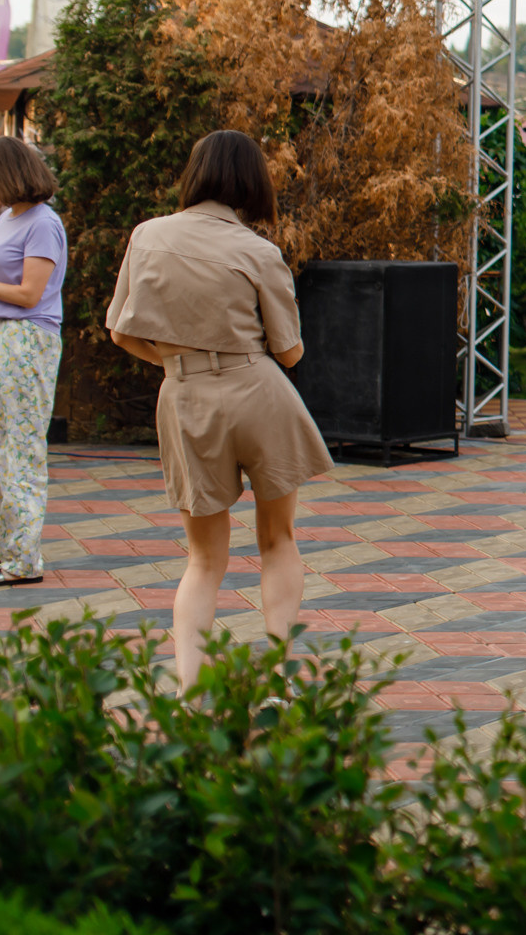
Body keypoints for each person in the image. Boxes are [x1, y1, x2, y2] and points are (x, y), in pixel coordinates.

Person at [105, 131, 334, 687]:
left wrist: (177, 362)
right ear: (253, 182)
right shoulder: (258, 251)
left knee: (203, 560)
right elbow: (289, 351)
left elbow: (121, 332)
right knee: (278, 539)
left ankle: (188, 694)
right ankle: (278, 681)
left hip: (184, 395)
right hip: (257, 392)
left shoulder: (147, 235)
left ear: (196, 173)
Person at [0, 138, 67, 588]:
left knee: (22, 448)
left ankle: (24, 560)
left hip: (25, 338)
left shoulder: (43, 223)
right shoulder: (9, 217)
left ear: (7, 174)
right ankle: (9, 545)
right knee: (0, 447)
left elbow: (30, 294)